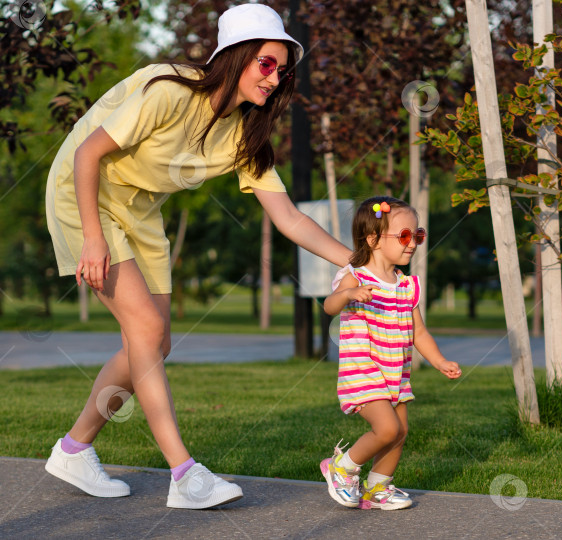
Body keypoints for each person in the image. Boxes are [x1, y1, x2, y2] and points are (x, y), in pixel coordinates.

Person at [43, 4, 351, 510]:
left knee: (154, 342)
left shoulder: (244, 136)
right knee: (143, 330)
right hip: (84, 198)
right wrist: (93, 238)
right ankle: (184, 474)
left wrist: (356, 262)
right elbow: (87, 154)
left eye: (282, 69)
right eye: (265, 64)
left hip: (140, 213)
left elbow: (290, 218)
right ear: (235, 57)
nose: (274, 79)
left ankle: (74, 450)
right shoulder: (168, 90)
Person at [320, 196, 461, 510]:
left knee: (400, 433)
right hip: (364, 370)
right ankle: (341, 468)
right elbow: (329, 306)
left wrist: (439, 361)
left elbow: (419, 332)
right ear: (373, 239)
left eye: (417, 236)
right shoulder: (355, 276)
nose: (412, 244)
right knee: (386, 429)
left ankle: (377, 488)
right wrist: (347, 294)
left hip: (395, 373)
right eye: (405, 236)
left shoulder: (406, 285)